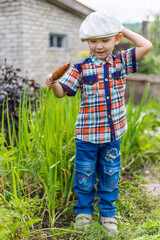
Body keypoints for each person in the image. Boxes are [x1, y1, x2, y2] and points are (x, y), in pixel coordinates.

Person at [46, 10, 152, 234]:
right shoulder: (80, 69)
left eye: (105, 40)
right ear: (87, 42)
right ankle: (83, 211)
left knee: (110, 174)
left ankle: (107, 213)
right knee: (84, 175)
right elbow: (60, 93)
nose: (99, 46)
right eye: (93, 41)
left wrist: (120, 28)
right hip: (87, 136)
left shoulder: (121, 61)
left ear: (116, 39)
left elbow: (146, 45)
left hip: (113, 135)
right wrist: (53, 82)